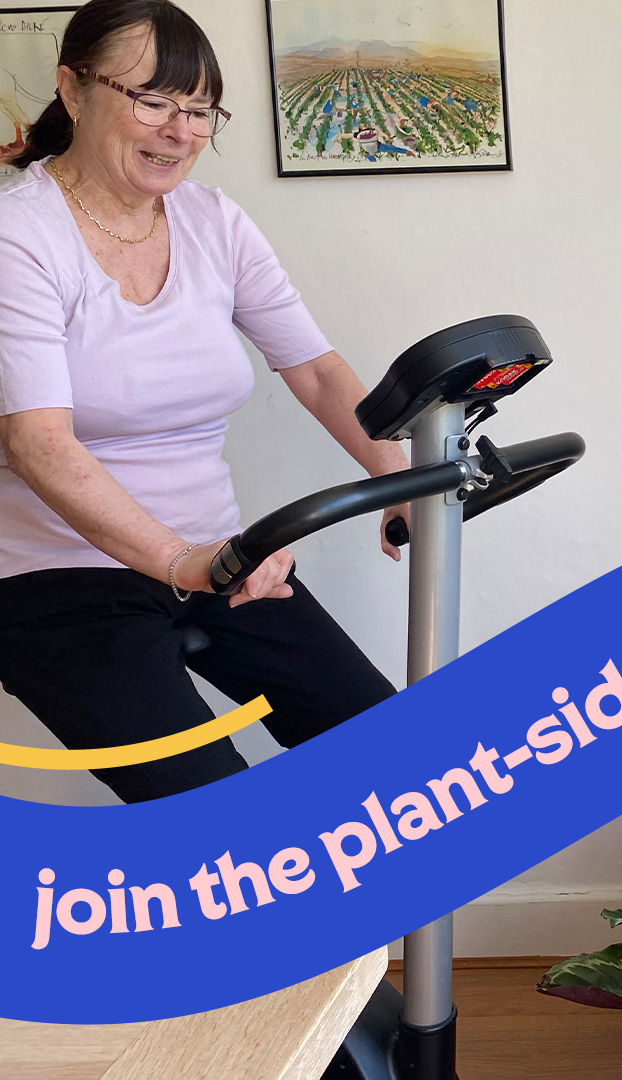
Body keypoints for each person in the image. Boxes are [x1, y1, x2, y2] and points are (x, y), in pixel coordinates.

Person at [0, 0, 411, 803]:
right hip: (57, 577)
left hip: (219, 559)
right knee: (215, 824)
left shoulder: (214, 220)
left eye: (197, 109)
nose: (180, 131)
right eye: (152, 100)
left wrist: (401, 481)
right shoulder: (20, 235)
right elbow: (37, 444)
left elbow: (317, 370)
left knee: (389, 755)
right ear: (73, 90)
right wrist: (181, 560)